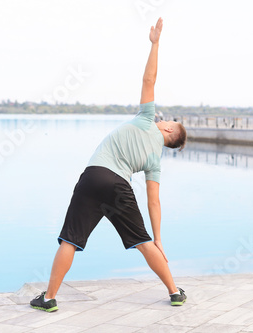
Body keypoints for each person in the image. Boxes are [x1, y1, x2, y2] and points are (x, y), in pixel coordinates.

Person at [30, 17, 187, 312]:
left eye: (169, 121)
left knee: (70, 240)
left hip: (93, 176)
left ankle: (49, 298)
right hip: (118, 188)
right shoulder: (156, 160)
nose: (164, 119)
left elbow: (149, 80)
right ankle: (175, 291)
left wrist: (155, 44)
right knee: (143, 243)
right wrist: (159, 238)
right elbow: (154, 201)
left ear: (168, 131)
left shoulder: (145, 120)